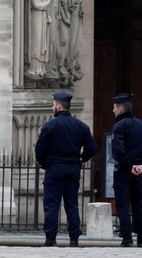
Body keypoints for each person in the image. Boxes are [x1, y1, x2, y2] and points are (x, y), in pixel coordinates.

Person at [35, 91, 96, 247]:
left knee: (51, 204)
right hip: (72, 168)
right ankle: (74, 238)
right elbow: (91, 147)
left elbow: (39, 150)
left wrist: (44, 163)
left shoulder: (50, 126)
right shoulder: (81, 126)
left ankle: (50, 238)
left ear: (58, 105)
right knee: (72, 204)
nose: (52, 106)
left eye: (53, 104)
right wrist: (82, 159)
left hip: (54, 168)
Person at [110, 92, 142, 247]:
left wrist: (130, 166)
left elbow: (118, 151)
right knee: (138, 205)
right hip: (139, 172)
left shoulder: (118, 126)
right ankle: (141, 238)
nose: (113, 111)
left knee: (123, 205)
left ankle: (127, 237)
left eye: (115, 108)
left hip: (124, 171)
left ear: (121, 109)